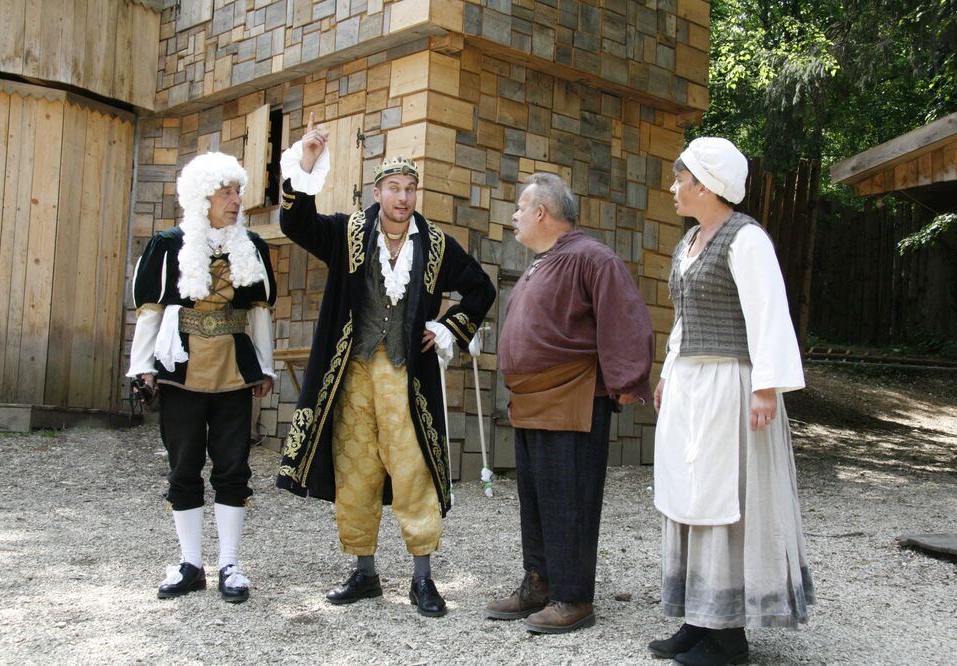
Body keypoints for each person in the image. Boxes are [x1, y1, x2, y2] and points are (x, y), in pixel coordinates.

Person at [275, 114, 495, 617]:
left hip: (405, 376)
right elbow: (295, 223)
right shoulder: (348, 232)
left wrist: (446, 328)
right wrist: (306, 162)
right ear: (377, 193)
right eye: (394, 188)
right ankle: (364, 572)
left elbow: (481, 288)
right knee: (357, 469)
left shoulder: (436, 245)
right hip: (352, 373)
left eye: (410, 189)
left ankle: (422, 579)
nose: (402, 197)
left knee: (413, 468)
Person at [649, 137, 814, 664]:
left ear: (705, 183)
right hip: (691, 386)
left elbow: (768, 314)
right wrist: (668, 372)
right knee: (690, 495)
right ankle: (699, 617)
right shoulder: (690, 241)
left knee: (723, 499)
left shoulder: (746, 240)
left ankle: (728, 634)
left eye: (681, 179)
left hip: (730, 386)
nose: (674, 187)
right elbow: (684, 319)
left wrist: (766, 387)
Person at [489, 172, 654, 634]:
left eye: (520, 209)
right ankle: (540, 584)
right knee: (537, 500)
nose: (515, 217)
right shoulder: (543, 261)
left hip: (573, 398)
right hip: (533, 402)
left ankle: (574, 597)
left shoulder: (592, 258)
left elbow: (625, 318)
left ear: (541, 212)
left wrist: (626, 379)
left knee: (569, 500)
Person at [127, 152, 277, 604]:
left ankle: (230, 563)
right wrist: (141, 369)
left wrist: (265, 366)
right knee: (184, 467)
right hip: (181, 373)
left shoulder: (251, 245)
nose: (235, 201)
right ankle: (190, 564)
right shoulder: (168, 244)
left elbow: (259, 313)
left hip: (233, 371)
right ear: (202, 197)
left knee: (233, 468)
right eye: (225, 192)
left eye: (237, 192)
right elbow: (151, 311)